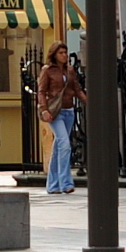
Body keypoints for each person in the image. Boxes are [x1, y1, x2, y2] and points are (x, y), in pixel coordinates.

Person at [37, 42, 86, 195]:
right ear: (54, 54)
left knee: (59, 148)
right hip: (54, 112)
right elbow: (41, 91)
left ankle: (53, 185)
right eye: (61, 53)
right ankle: (66, 183)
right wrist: (44, 110)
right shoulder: (47, 70)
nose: (64, 55)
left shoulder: (70, 70)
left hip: (68, 111)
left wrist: (89, 103)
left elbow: (77, 90)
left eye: (65, 52)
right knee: (65, 144)